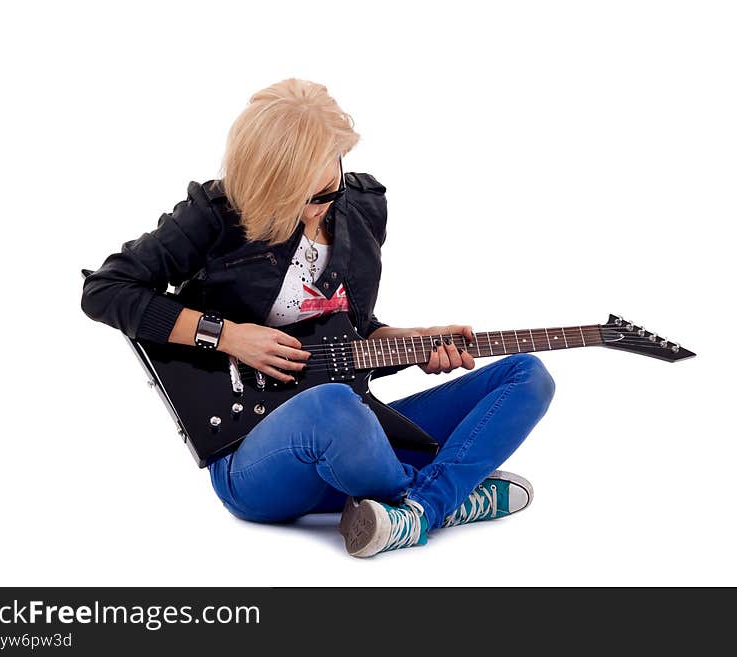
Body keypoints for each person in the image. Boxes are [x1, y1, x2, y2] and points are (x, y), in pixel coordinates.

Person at [81, 78, 556, 558]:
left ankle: (419, 510)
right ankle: (449, 498)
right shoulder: (215, 214)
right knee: (334, 406)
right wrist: (228, 336)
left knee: (528, 375)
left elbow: (350, 336)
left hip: (356, 441)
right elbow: (104, 290)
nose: (313, 212)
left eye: (325, 191)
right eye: (292, 199)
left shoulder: (363, 210)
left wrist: (414, 343)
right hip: (255, 457)